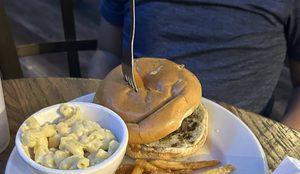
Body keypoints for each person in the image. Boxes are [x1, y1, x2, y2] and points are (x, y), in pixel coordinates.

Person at [89, 0, 300, 130]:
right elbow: (107, 51)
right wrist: (95, 118)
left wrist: (279, 155)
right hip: (128, 129)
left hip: (244, 137)